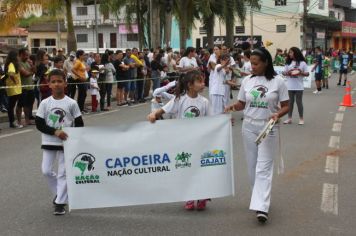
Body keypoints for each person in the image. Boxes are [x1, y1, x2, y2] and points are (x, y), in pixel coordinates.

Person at [225, 47, 289, 223]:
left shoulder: (278, 81)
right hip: (249, 127)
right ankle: (259, 197)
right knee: (252, 167)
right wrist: (231, 107)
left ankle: (261, 207)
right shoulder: (247, 81)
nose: (251, 66)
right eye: (250, 63)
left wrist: (278, 114)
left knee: (263, 168)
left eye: (255, 63)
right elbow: (241, 104)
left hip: (268, 128)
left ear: (266, 63)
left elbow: (286, 105)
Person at [147, 70, 211, 210]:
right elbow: (162, 111)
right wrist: (153, 115)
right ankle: (189, 196)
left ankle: (201, 195)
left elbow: (211, 122)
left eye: (203, 80)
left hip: (199, 142)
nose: (203, 83)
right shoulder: (179, 100)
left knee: (200, 170)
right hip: (184, 142)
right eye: (199, 81)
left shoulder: (204, 102)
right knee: (187, 169)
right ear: (189, 85)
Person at [35, 69, 84, 215]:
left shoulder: (72, 103)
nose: (57, 84)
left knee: (63, 173)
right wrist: (55, 131)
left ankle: (60, 203)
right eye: (53, 82)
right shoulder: (45, 103)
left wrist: (76, 140)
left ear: (65, 83)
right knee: (46, 170)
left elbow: (79, 123)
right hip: (49, 141)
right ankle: (60, 193)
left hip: (66, 144)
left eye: (59, 81)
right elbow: (39, 123)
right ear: (49, 84)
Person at [282, 47, 309, 125]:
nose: (289, 54)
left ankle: (301, 119)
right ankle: (289, 118)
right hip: (289, 86)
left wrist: (300, 72)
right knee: (290, 103)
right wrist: (288, 72)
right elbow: (283, 73)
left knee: (299, 102)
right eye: (289, 52)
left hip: (299, 86)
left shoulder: (302, 63)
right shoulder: (288, 63)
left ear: (295, 53)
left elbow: (307, 73)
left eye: (291, 52)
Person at [3, 50, 23, 128]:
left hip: (16, 89)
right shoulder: (11, 64)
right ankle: (12, 122)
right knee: (11, 106)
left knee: (11, 106)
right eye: (17, 56)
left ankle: (13, 122)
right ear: (14, 57)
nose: (18, 57)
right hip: (13, 89)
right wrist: (15, 81)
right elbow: (11, 74)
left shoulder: (13, 64)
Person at [17, 48, 36, 126]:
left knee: (28, 104)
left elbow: (34, 71)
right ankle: (19, 121)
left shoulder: (28, 62)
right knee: (20, 104)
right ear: (21, 55)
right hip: (23, 87)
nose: (27, 57)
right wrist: (30, 72)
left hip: (30, 87)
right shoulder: (18, 63)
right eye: (26, 55)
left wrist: (32, 65)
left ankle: (27, 120)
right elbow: (25, 74)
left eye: (28, 55)